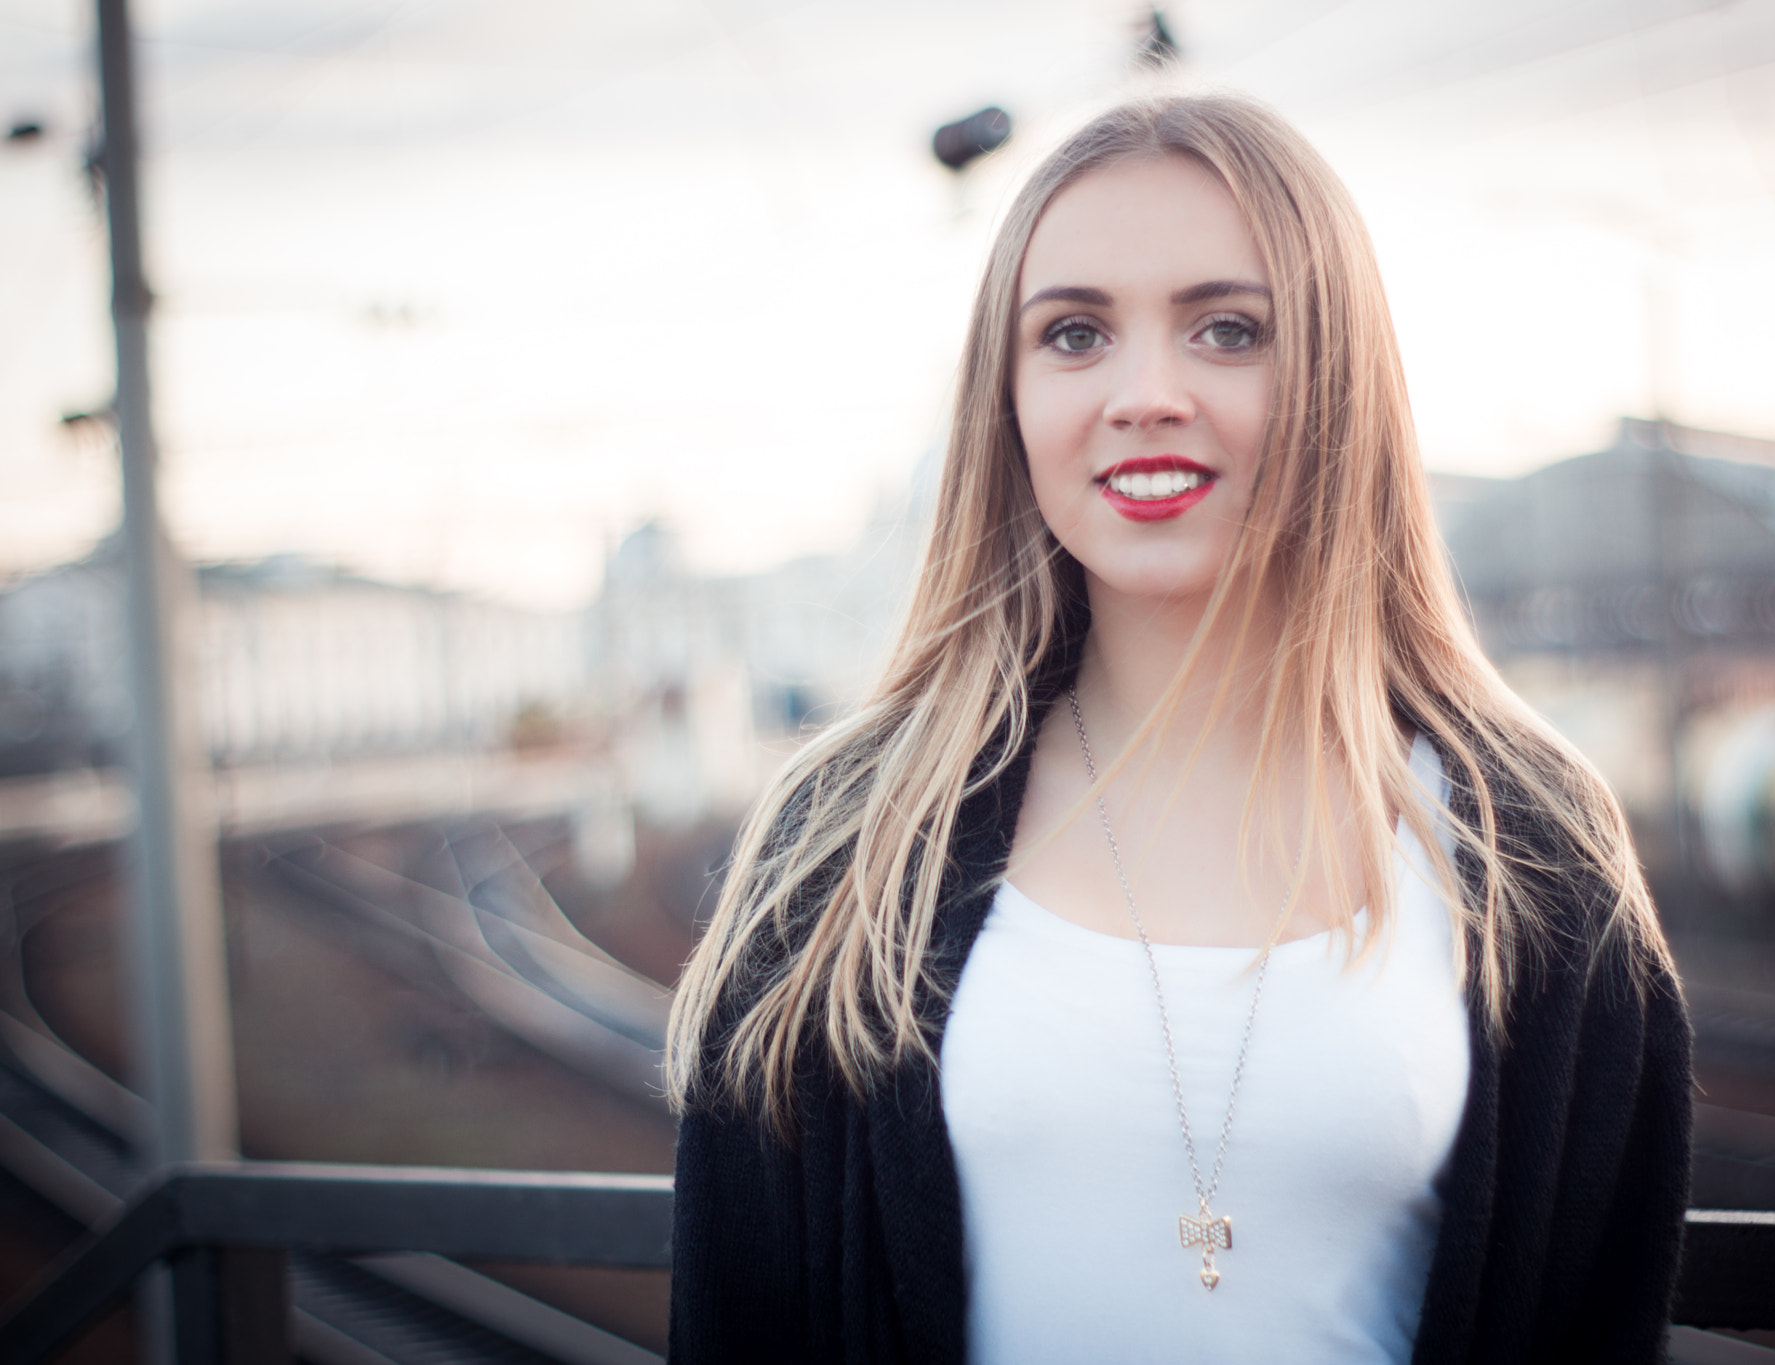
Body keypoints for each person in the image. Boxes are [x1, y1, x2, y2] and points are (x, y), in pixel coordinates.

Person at [665, 93, 1691, 1365]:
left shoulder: (1528, 842)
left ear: (1336, 378)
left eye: (1226, 330)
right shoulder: (842, 843)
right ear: (1008, 401)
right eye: (1075, 334)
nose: (1145, 394)